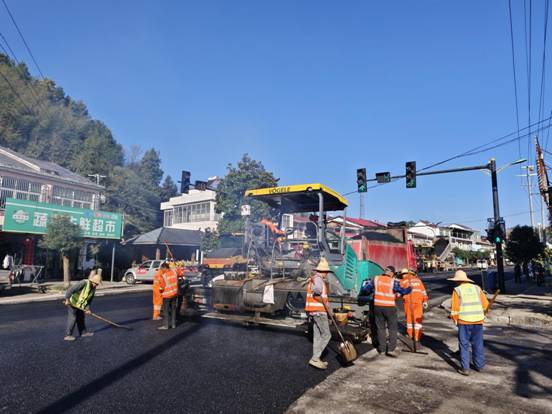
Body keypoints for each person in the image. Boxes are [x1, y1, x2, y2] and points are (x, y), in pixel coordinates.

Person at [358, 266, 411, 357]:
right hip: (389, 308)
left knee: (380, 328)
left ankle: (382, 349)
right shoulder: (393, 281)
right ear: (392, 273)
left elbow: (366, 289)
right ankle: (391, 349)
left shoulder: (376, 279)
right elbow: (403, 291)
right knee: (392, 328)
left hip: (378, 307)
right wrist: (409, 288)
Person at [448, 270, 489, 376]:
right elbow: (485, 305)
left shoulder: (457, 290)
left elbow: (455, 309)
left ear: (458, 280)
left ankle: (465, 369)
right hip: (478, 321)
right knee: (478, 344)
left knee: (464, 344)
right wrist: (482, 313)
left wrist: (455, 319)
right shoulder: (477, 288)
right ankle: (479, 366)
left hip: (464, 321)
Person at [305, 257, 332, 369]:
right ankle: (315, 358)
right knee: (327, 335)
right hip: (320, 312)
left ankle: (316, 359)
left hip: (313, 312)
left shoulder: (314, 278)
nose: (327, 274)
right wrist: (328, 308)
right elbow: (316, 293)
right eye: (326, 272)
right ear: (323, 271)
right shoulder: (319, 279)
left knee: (317, 336)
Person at [64, 270, 102, 341]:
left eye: (97, 284)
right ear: (92, 281)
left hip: (80, 305)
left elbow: (89, 300)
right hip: (72, 303)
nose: (96, 285)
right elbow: (70, 290)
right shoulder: (83, 283)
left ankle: (83, 333)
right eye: (96, 283)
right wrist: (67, 299)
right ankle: (68, 335)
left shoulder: (93, 289)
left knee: (81, 318)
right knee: (73, 318)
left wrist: (87, 309)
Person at [399, 268, 429, 343]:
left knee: (409, 319)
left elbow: (399, 292)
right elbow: (423, 292)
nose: (402, 276)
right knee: (417, 319)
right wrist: (425, 301)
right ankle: (417, 336)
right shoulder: (418, 281)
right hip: (418, 302)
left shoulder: (403, 281)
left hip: (408, 302)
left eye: (403, 274)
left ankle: (410, 334)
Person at [158, 262, 178, 330]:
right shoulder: (174, 272)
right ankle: (173, 324)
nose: (161, 270)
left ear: (165, 268)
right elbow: (180, 273)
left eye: (162, 269)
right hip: (174, 294)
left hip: (167, 295)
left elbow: (162, 287)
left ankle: (166, 326)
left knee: (166, 311)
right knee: (173, 310)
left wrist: (159, 289)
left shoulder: (164, 276)